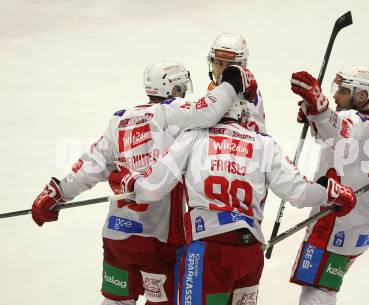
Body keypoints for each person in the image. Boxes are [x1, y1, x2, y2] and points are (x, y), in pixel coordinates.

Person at [109, 65, 357, 305]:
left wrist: (132, 186)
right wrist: (331, 192)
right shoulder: (263, 144)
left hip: (208, 251)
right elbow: (301, 193)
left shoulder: (194, 137)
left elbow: (154, 187)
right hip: (249, 255)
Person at [30, 59, 256, 305]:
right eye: (182, 88)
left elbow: (89, 167)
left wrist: (57, 193)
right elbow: (209, 110)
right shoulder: (172, 112)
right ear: (175, 90)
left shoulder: (120, 119)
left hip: (117, 235)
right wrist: (233, 80)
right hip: (159, 241)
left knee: (117, 301)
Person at [288, 66, 369, 305]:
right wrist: (315, 116)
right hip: (362, 221)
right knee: (322, 285)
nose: (335, 96)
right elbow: (337, 141)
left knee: (318, 288)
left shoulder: (357, 122)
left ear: (362, 95)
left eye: (343, 91)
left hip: (340, 220)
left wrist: (318, 104)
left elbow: (342, 131)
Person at [207, 32, 266, 133]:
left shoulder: (249, 92)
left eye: (230, 64)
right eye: (219, 63)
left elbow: (259, 135)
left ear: (242, 65)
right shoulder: (213, 87)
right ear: (211, 63)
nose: (223, 71)